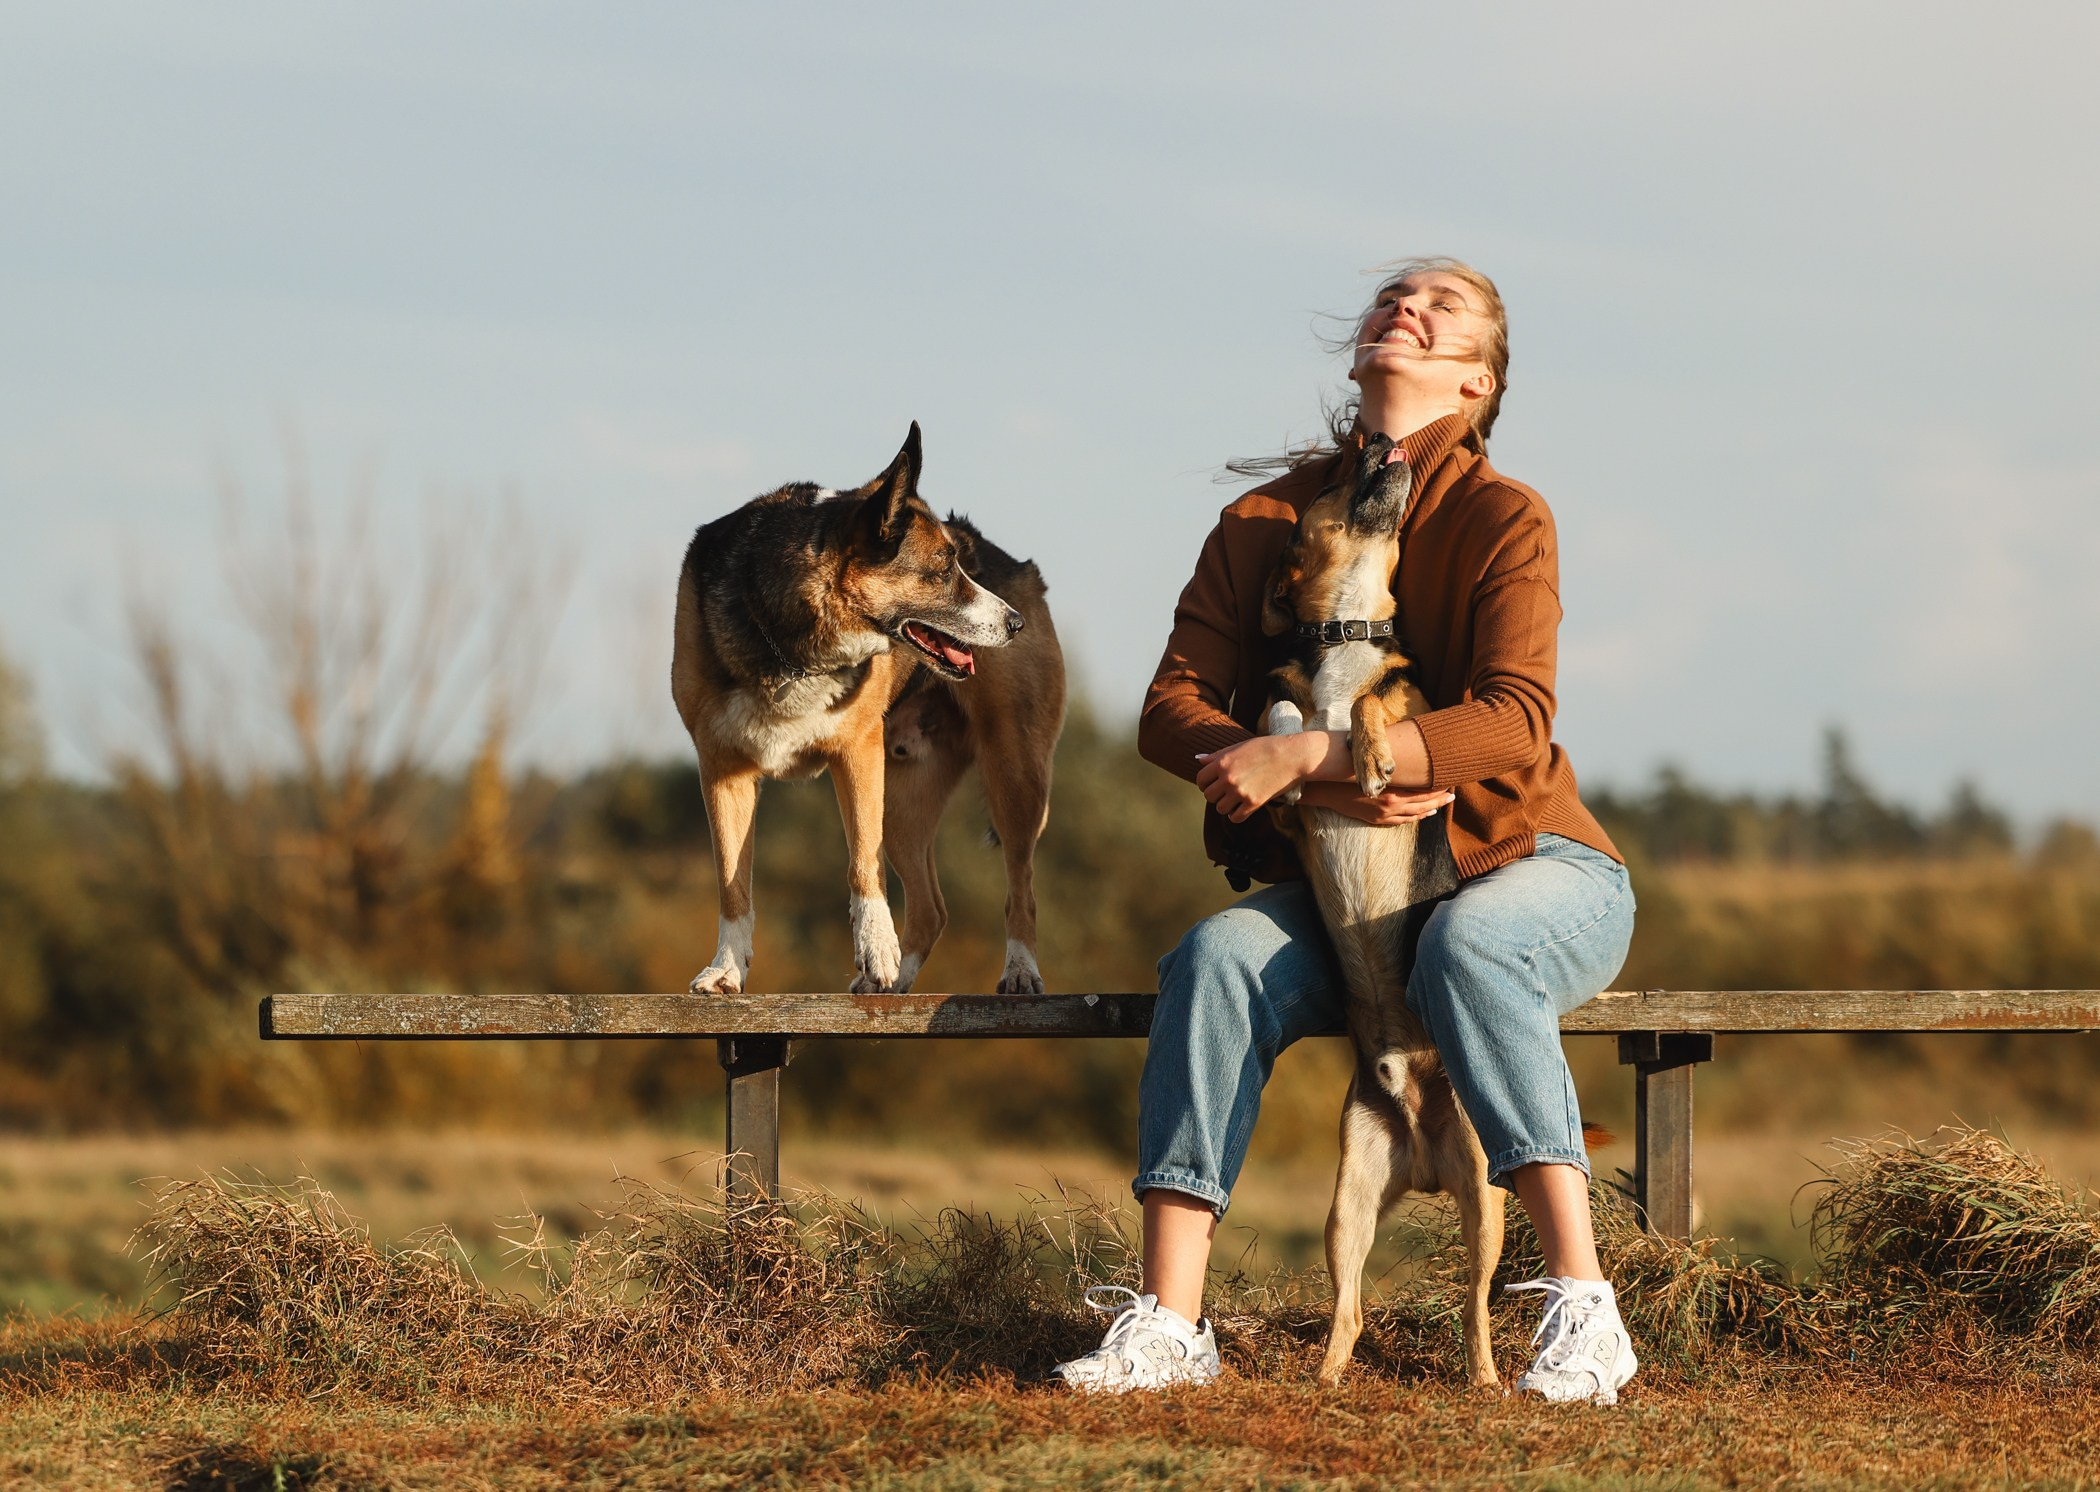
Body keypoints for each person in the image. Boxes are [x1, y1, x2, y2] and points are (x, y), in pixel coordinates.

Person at [1052, 258, 1638, 1402]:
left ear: (1478, 380)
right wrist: (1317, 786)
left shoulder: (1506, 516)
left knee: (1466, 947)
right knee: (1216, 959)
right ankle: (1170, 1324)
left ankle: (1585, 1309)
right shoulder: (1269, 518)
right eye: (1391, 298)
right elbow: (1170, 713)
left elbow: (1517, 722)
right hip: (1352, 899)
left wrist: (1320, 755)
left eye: (1442, 308)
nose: (1403, 309)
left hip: (1529, 868)